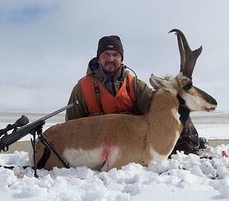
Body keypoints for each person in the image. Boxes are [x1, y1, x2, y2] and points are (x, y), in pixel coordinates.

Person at [65, 35, 206, 154]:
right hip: (98, 149)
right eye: (105, 55)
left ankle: (189, 147)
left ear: (121, 58)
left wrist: (178, 105)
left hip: (132, 145)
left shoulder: (134, 85)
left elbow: (157, 110)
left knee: (173, 104)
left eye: (115, 55)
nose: (111, 59)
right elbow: (70, 126)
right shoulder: (82, 89)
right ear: (98, 58)